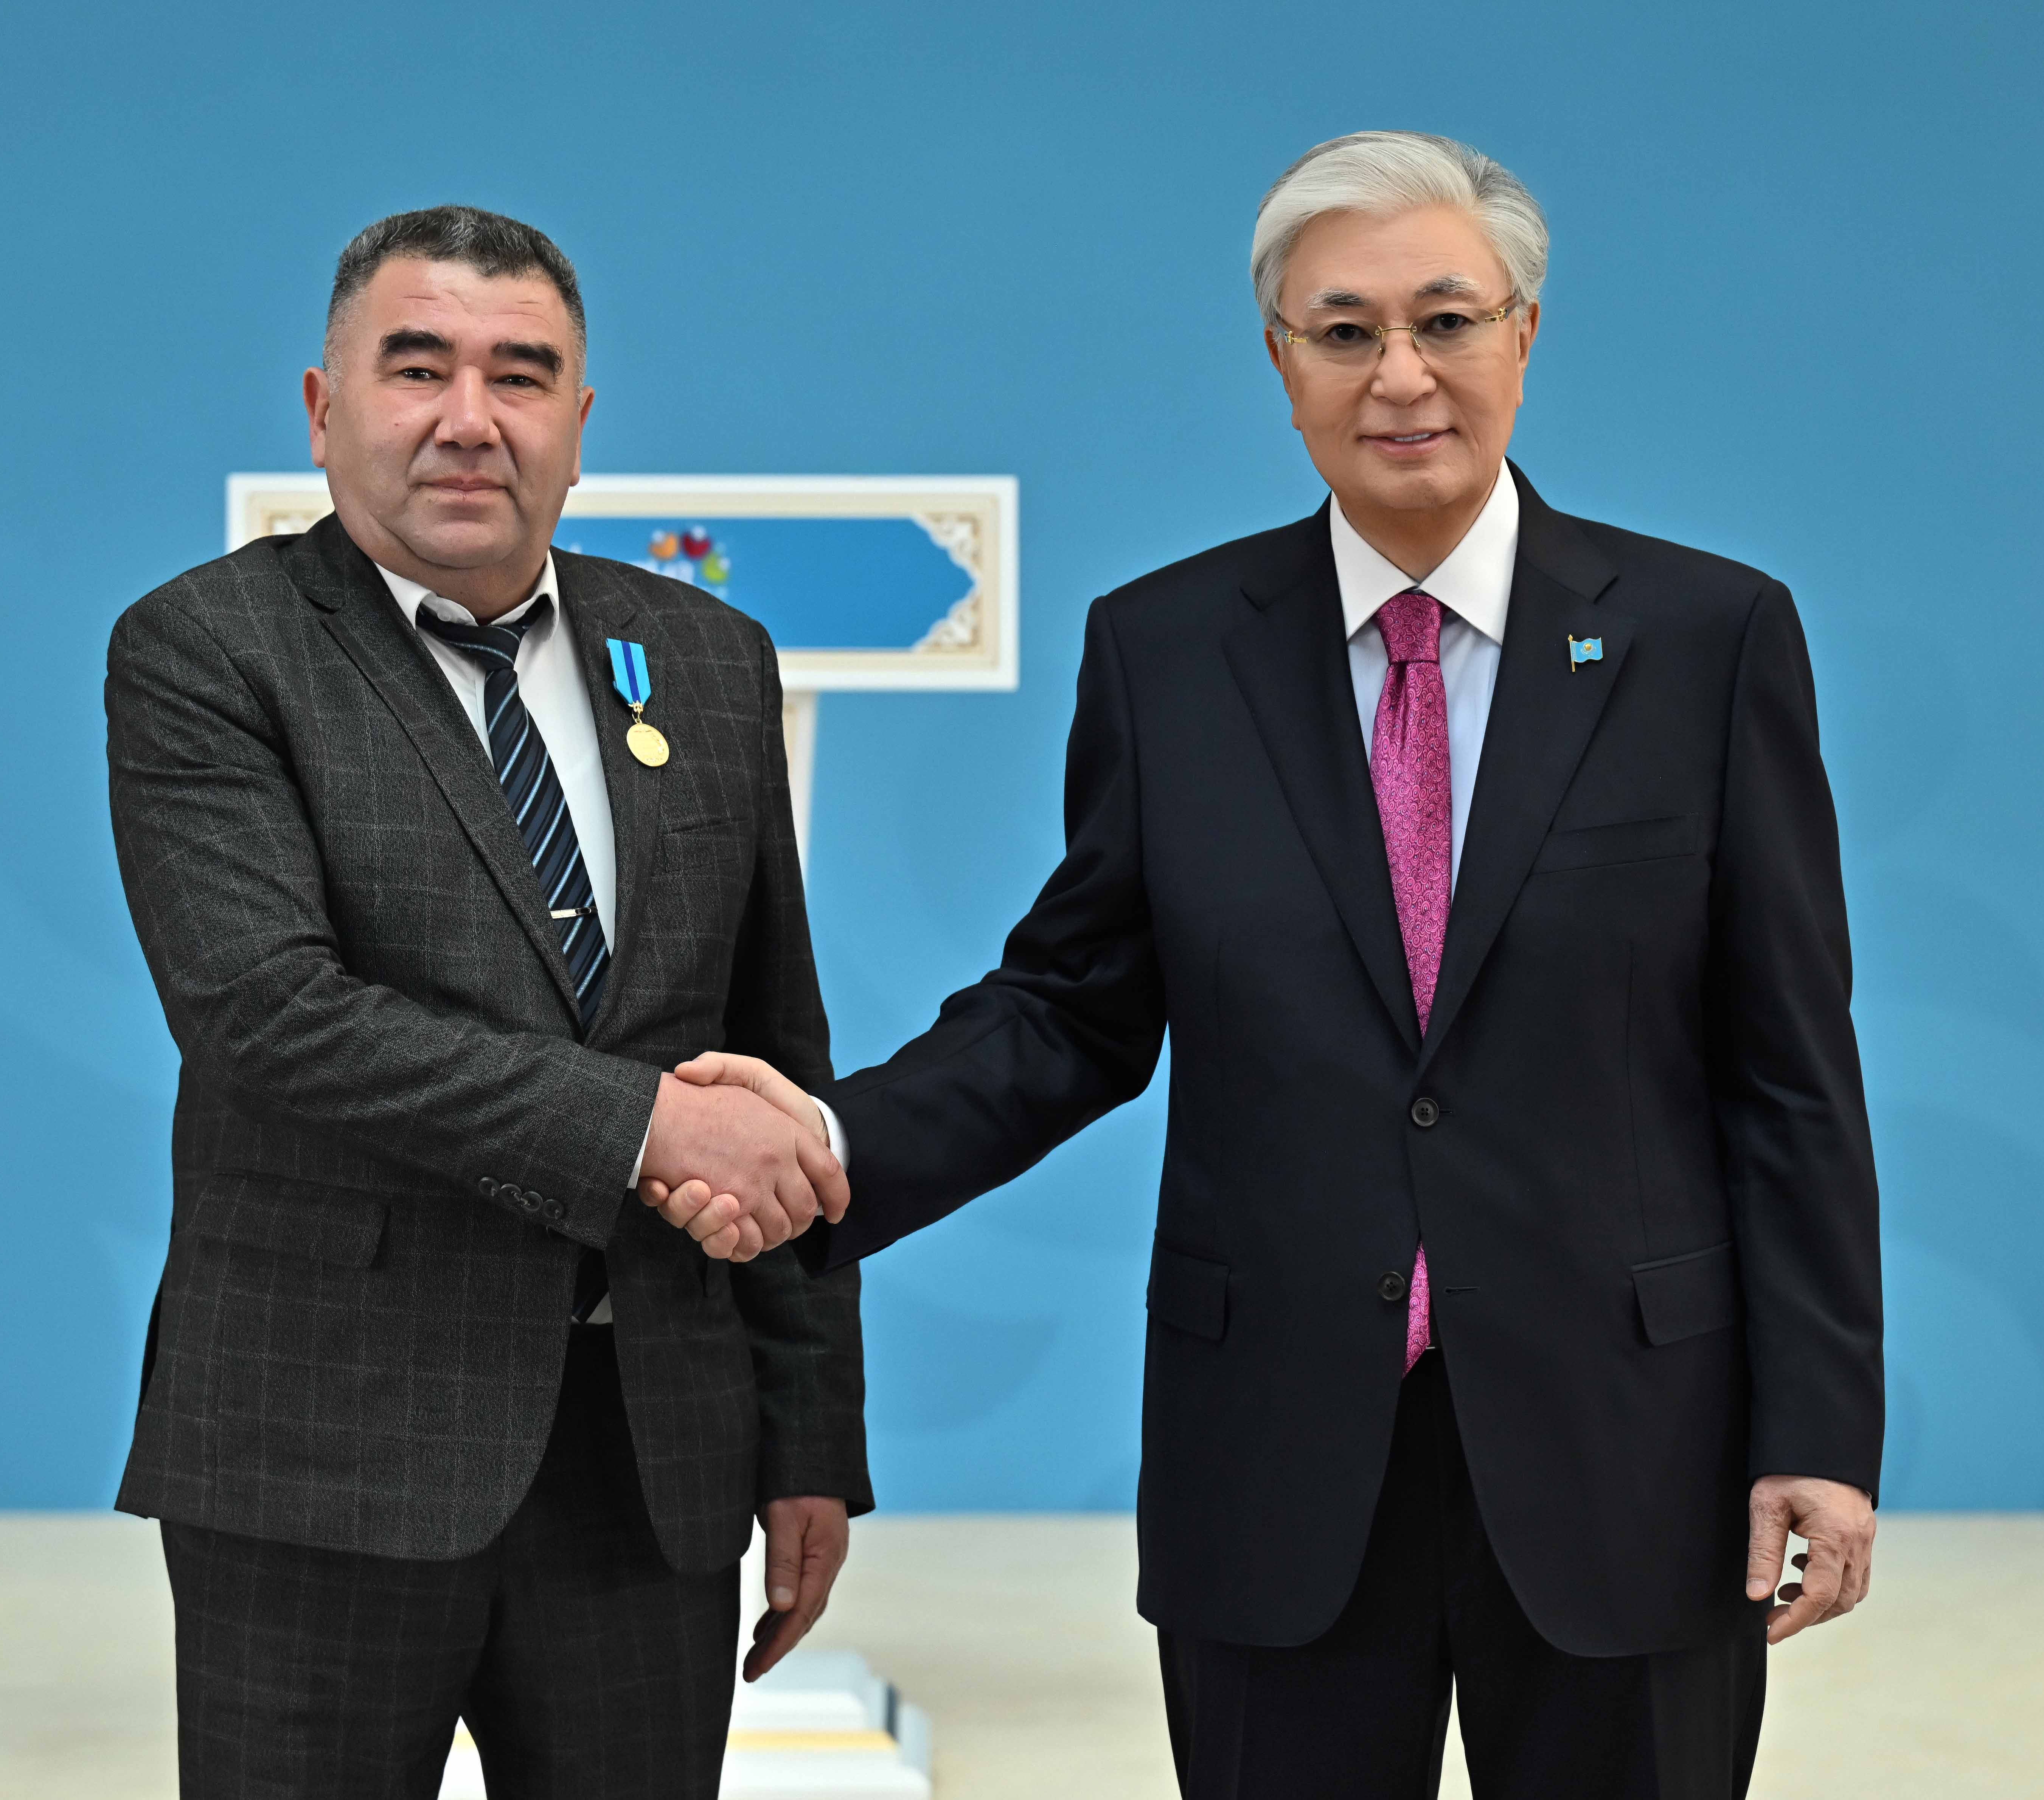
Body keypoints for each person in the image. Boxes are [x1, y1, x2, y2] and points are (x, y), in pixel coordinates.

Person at [645, 134, 1883, 1798]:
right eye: (1345, 330)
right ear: (1282, 361)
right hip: (1280, 1461)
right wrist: (827, 1144)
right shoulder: (1166, 650)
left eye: (1447, 320)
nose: (1402, 374)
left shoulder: (1707, 640)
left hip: (1629, 1452)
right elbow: (1072, 1009)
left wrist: (1818, 1429)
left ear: (1525, 335)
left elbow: (1788, 1070)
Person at [105, 204, 867, 1800]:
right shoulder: (208, 648)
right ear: (324, 408)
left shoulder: (709, 657)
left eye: (520, 375)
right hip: (321, 1458)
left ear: (577, 423)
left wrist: (808, 1438)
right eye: (418, 367)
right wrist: (645, 1125)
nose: (470, 417)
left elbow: (773, 1053)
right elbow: (268, 1011)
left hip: (650, 1464)